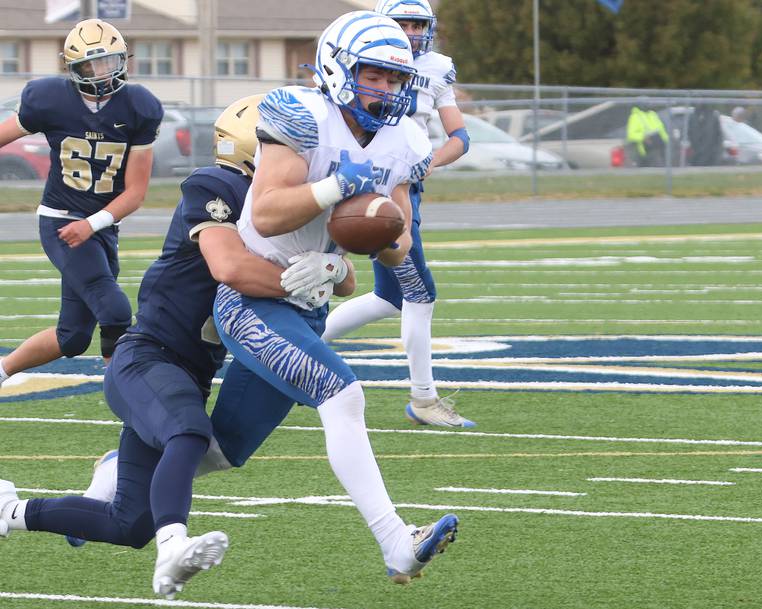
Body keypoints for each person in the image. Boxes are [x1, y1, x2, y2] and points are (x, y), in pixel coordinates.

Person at [0, 95, 295, 600]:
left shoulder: (273, 207)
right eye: (286, 149)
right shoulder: (218, 186)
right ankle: (174, 546)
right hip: (148, 358)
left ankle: (9, 513)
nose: (296, 163)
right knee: (188, 431)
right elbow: (231, 266)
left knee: (130, 522)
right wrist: (298, 277)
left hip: (187, 371)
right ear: (255, 150)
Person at [212, 11, 459, 584]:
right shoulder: (303, 115)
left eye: (397, 80)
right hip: (251, 297)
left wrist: (374, 240)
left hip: (308, 302)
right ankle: (397, 541)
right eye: (375, 74)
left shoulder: (405, 139)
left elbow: (394, 237)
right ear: (337, 66)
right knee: (342, 392)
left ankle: (109, 485)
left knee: (222, 450)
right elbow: (268, 213)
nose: (387, 89)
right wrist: (335, 187)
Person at [321, 0, 475, 428]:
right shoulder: (358, 62)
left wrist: (429, 162)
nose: (409, 31)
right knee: (418, 293)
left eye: (417, 24)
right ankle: (423, 399)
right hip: (355, 179)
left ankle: (302, 343)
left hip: (402, 185)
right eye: (401, 22)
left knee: (393, 296)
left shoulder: (435, 67)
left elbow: (459, 135)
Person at [0, 19, 163, 388]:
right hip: (61, 221)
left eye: (109, 61)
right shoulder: (49, 99)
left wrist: (95, 224)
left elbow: (135, 192)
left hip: (99, 225)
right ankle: (131, 399)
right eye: (91, 64)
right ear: (73, 68)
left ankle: (1, 370)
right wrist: (86, 225)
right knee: (115, 310)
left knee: (71, 338)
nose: (101, 73)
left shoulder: (140, 107)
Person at [626, 101, 668, 167]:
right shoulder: (635, 117)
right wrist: (643, 137)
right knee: (653, 168)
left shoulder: (653, 114)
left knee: (662, 168)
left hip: (660, 146)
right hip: (647, 148)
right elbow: (631, 135)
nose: (649, 106)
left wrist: (666, 141)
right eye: (647, 104)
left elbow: (661, 129)